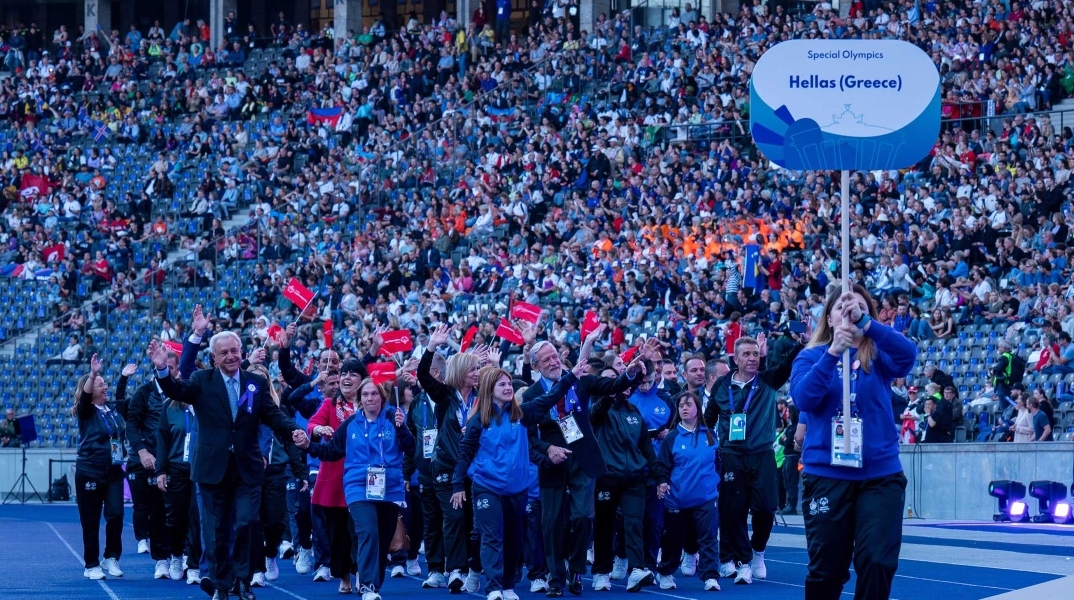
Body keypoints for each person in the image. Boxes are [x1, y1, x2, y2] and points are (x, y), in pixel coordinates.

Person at [147, 335, 310, 600]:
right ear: (214, 358)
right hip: (212, 469)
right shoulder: (202, 381)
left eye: (235, 351)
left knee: (247, 524)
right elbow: (175, 391)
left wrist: (294, 431)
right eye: (224, 353)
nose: (231, 356)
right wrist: (163, 369)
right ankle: (222, 586)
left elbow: (273, 414)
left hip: (247, 468)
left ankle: (243, 582)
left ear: (241, 351)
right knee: (215, 531)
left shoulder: (255, 383)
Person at [789, 286, 917, 600]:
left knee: (876, 560)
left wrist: (868, 326)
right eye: (842, 309)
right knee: (828, 569)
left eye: (858, 308)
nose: (850, 313)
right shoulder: (810, 356)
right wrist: (833, 353)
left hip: (879, 476)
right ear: (829, 319)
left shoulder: (878, 353)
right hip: (827, 476)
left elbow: (907, 356)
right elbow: (804, 397)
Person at [523, 335, 656, 596]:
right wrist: (547, 449)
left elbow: (614, 384)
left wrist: (629, 373)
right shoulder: (531, 393)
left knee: (583, 516)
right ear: (535, 367)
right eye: (546, 359)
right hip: (552, 462)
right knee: (550, 524)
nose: (553, 362)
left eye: (554, 356)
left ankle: (575, 570)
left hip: (582, 459)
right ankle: (556, 579)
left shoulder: (580, 380)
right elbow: (527, 438)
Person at [453, 364, 584, 600]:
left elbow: (552, 396)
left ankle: (507, 585)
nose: (507, 388)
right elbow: (465, 452)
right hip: (487, 487)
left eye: (508, 384)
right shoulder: (479, 421)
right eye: (501, 384)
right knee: (493, 537)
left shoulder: (523, 415)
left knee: (513, 539)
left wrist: (572, 375)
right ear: (489, 390)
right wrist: (456, 485)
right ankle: (493, 587)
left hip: (517, 489)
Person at [297, 378, 415, 600]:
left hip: (388, 488)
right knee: (367, 531)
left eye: (374, 394)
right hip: (357, 486)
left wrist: (403, 429)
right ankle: (368, 586)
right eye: (366, 395)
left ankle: (374, 584)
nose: (370, 398)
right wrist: (308, 446)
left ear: (382, 398)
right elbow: (331, 451)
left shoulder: (393, 418)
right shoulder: (350, 424)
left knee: (382, 537)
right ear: (360, 400)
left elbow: (411, 449)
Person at [703, 333, 801, 584]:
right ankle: (743, 562)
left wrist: (801, 343)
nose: (752, 358)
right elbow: (709, 418)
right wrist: (712, 445)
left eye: (755, 354)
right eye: (746, 354)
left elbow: (788, 365)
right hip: (733, 455)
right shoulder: (723, 385)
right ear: (735, 358)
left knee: (766, 508)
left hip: (762, 454)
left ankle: (758, 551)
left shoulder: (767, 380)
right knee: (734, 512)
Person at [417, 324, 490, 593]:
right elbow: (423, 375)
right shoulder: (446, 396)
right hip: (446, 466)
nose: (476, 373)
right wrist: (431, 346)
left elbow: (500, 384)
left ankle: (474, 567)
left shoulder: (483, 398)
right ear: (460, 373)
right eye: (472, 369)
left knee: (476, 520)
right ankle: (455, 570)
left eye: (477, 369)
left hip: (477, 468)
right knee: (455, 517)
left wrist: (492, 363)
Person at [590, 356, 660, 592]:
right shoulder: (597, 409)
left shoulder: (634, 413)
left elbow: (647, 449)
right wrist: (613, 390)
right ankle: (601, 571)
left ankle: (637, 570)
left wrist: (659, 478)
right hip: (607, 478)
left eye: (618, 381)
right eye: (610, 381)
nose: (618, 385)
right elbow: (599, 409)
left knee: (634, 524)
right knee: (604, 526)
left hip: (634, 479)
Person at [652, 392, 722, 592]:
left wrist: (715, 484)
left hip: (707, 497)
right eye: (681, 405)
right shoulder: (672, 437)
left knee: (708, 537)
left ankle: (710, 576)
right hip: (678, 499)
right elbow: (663, 465)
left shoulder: (710, 434)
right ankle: (665, 572)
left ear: (697, 408)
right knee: (673, 539)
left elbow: (717, 462)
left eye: (688, 404)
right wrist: (663, 482)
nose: (684, 408)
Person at [74, 355, 135, 580]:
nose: (105, 387)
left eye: (104, 383)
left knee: (116, 514)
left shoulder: (111, 409)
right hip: (90, 470)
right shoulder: (86, 411)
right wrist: (92, 375)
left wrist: (124, 378)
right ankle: (91, 564)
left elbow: (122, 398)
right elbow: (86, 396)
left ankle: (111, 557)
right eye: (101, 384)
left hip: (114, 471)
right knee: (90, 520)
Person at [248, 363, 309, 588]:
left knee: (274, 522)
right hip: (248, 473)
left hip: (275, 472)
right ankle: (256, 569)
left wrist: (300, 472)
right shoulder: (241, 409)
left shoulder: (278, 410)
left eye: (261, 380)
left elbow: (291, 443)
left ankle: (271, 551)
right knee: (252, 521)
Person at [307, 359, 363, 591]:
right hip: (336, 480)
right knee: (339, 533)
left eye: (353, 374)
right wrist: (319, 430)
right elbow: (312, 424)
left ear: (363, 380)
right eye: (344, 374)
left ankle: (361, 572)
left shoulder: (371, 402)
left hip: (363, 479)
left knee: (361, 529)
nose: (346, 378)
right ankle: (344, 576)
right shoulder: (330, 404)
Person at [154, 381, 204, 585]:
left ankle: (193, 565)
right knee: (175, 518)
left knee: (196, 518)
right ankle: (175, 555)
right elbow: (162, 439)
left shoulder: (203, 404)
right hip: (175, 469)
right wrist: (161, 470)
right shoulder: (169, 406)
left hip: (200, 469)